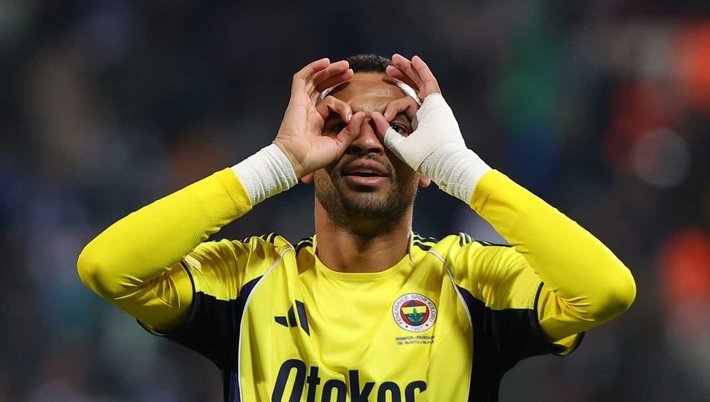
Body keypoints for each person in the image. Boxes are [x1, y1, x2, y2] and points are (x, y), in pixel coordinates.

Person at [77, 53, 636, 402]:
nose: (369, 140)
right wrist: (273, 164)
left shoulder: (473, 281)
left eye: (399, 129)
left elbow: (606, 291)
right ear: (308, 159)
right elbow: (107, 268)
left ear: (428, 165)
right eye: (339, 124)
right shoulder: (246, 279)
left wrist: (463, 170)